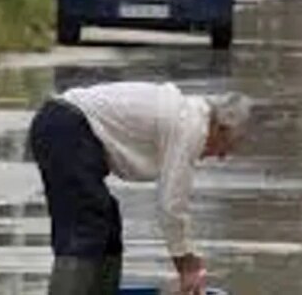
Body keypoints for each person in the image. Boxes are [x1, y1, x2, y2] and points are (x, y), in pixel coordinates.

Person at [28, 82, 252, 294]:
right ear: (221, 127)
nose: (221, 157)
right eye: (227, 146)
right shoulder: (192, 126)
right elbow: (172, 203)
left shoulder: (188, 116)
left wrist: (185, 257)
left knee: (107, 224)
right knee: (86, 226)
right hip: (66, 126)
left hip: (65, 126)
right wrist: (186, 263)